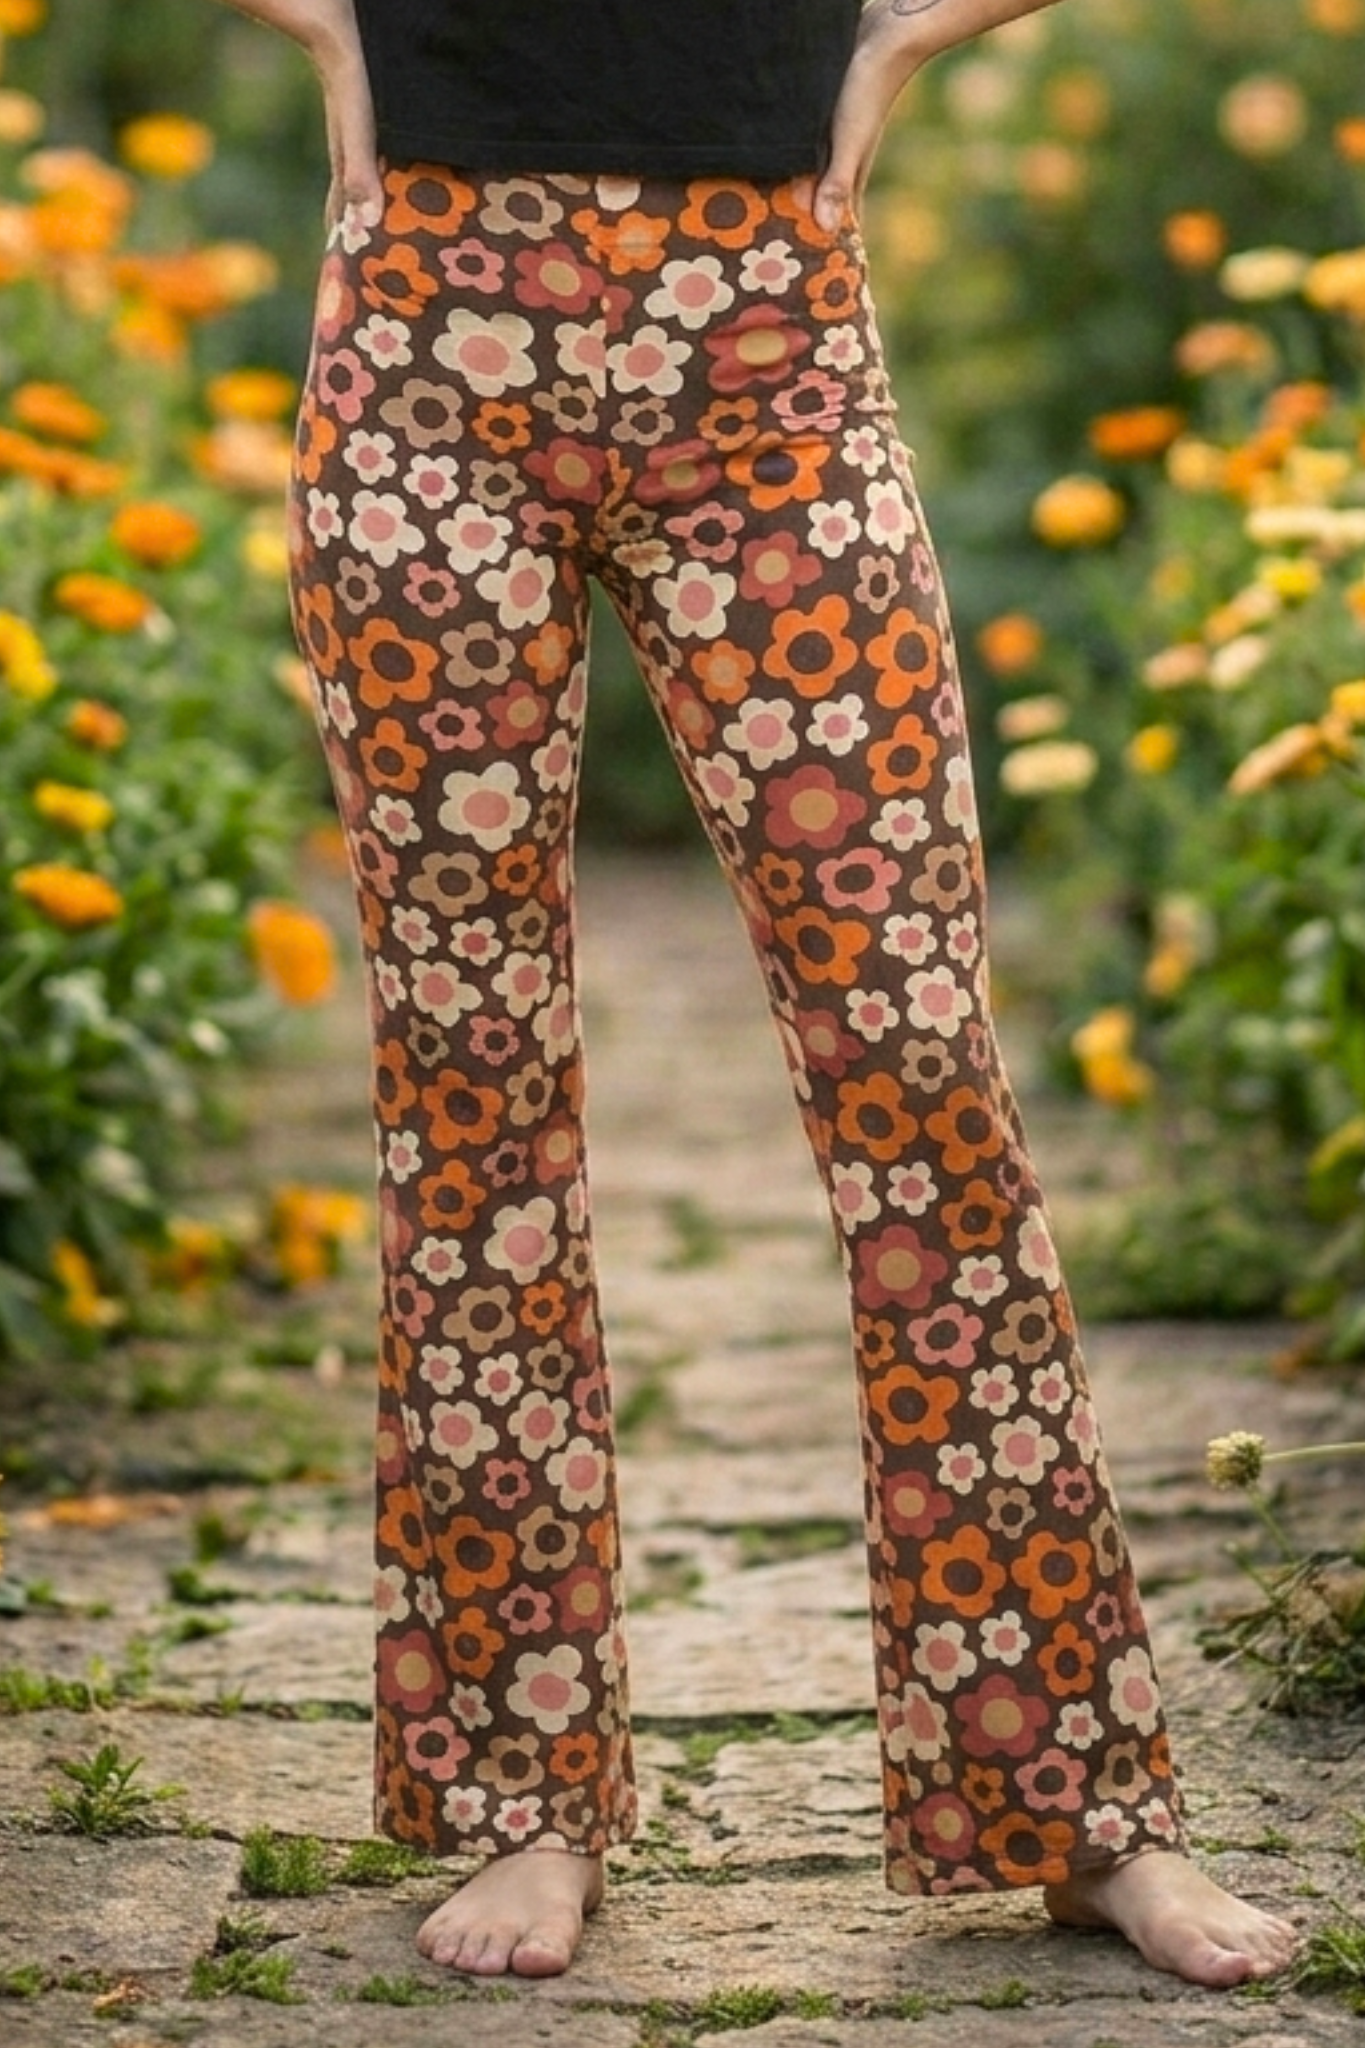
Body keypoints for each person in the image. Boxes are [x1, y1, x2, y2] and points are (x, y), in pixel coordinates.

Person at [221, 0, 1298, 1990]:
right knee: (468, 1081)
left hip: (767, 336)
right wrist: (326, 26)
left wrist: (897, 39)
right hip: (433, 327)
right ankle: (524, 1788)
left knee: (918, 1061)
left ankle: (1074, 1802)